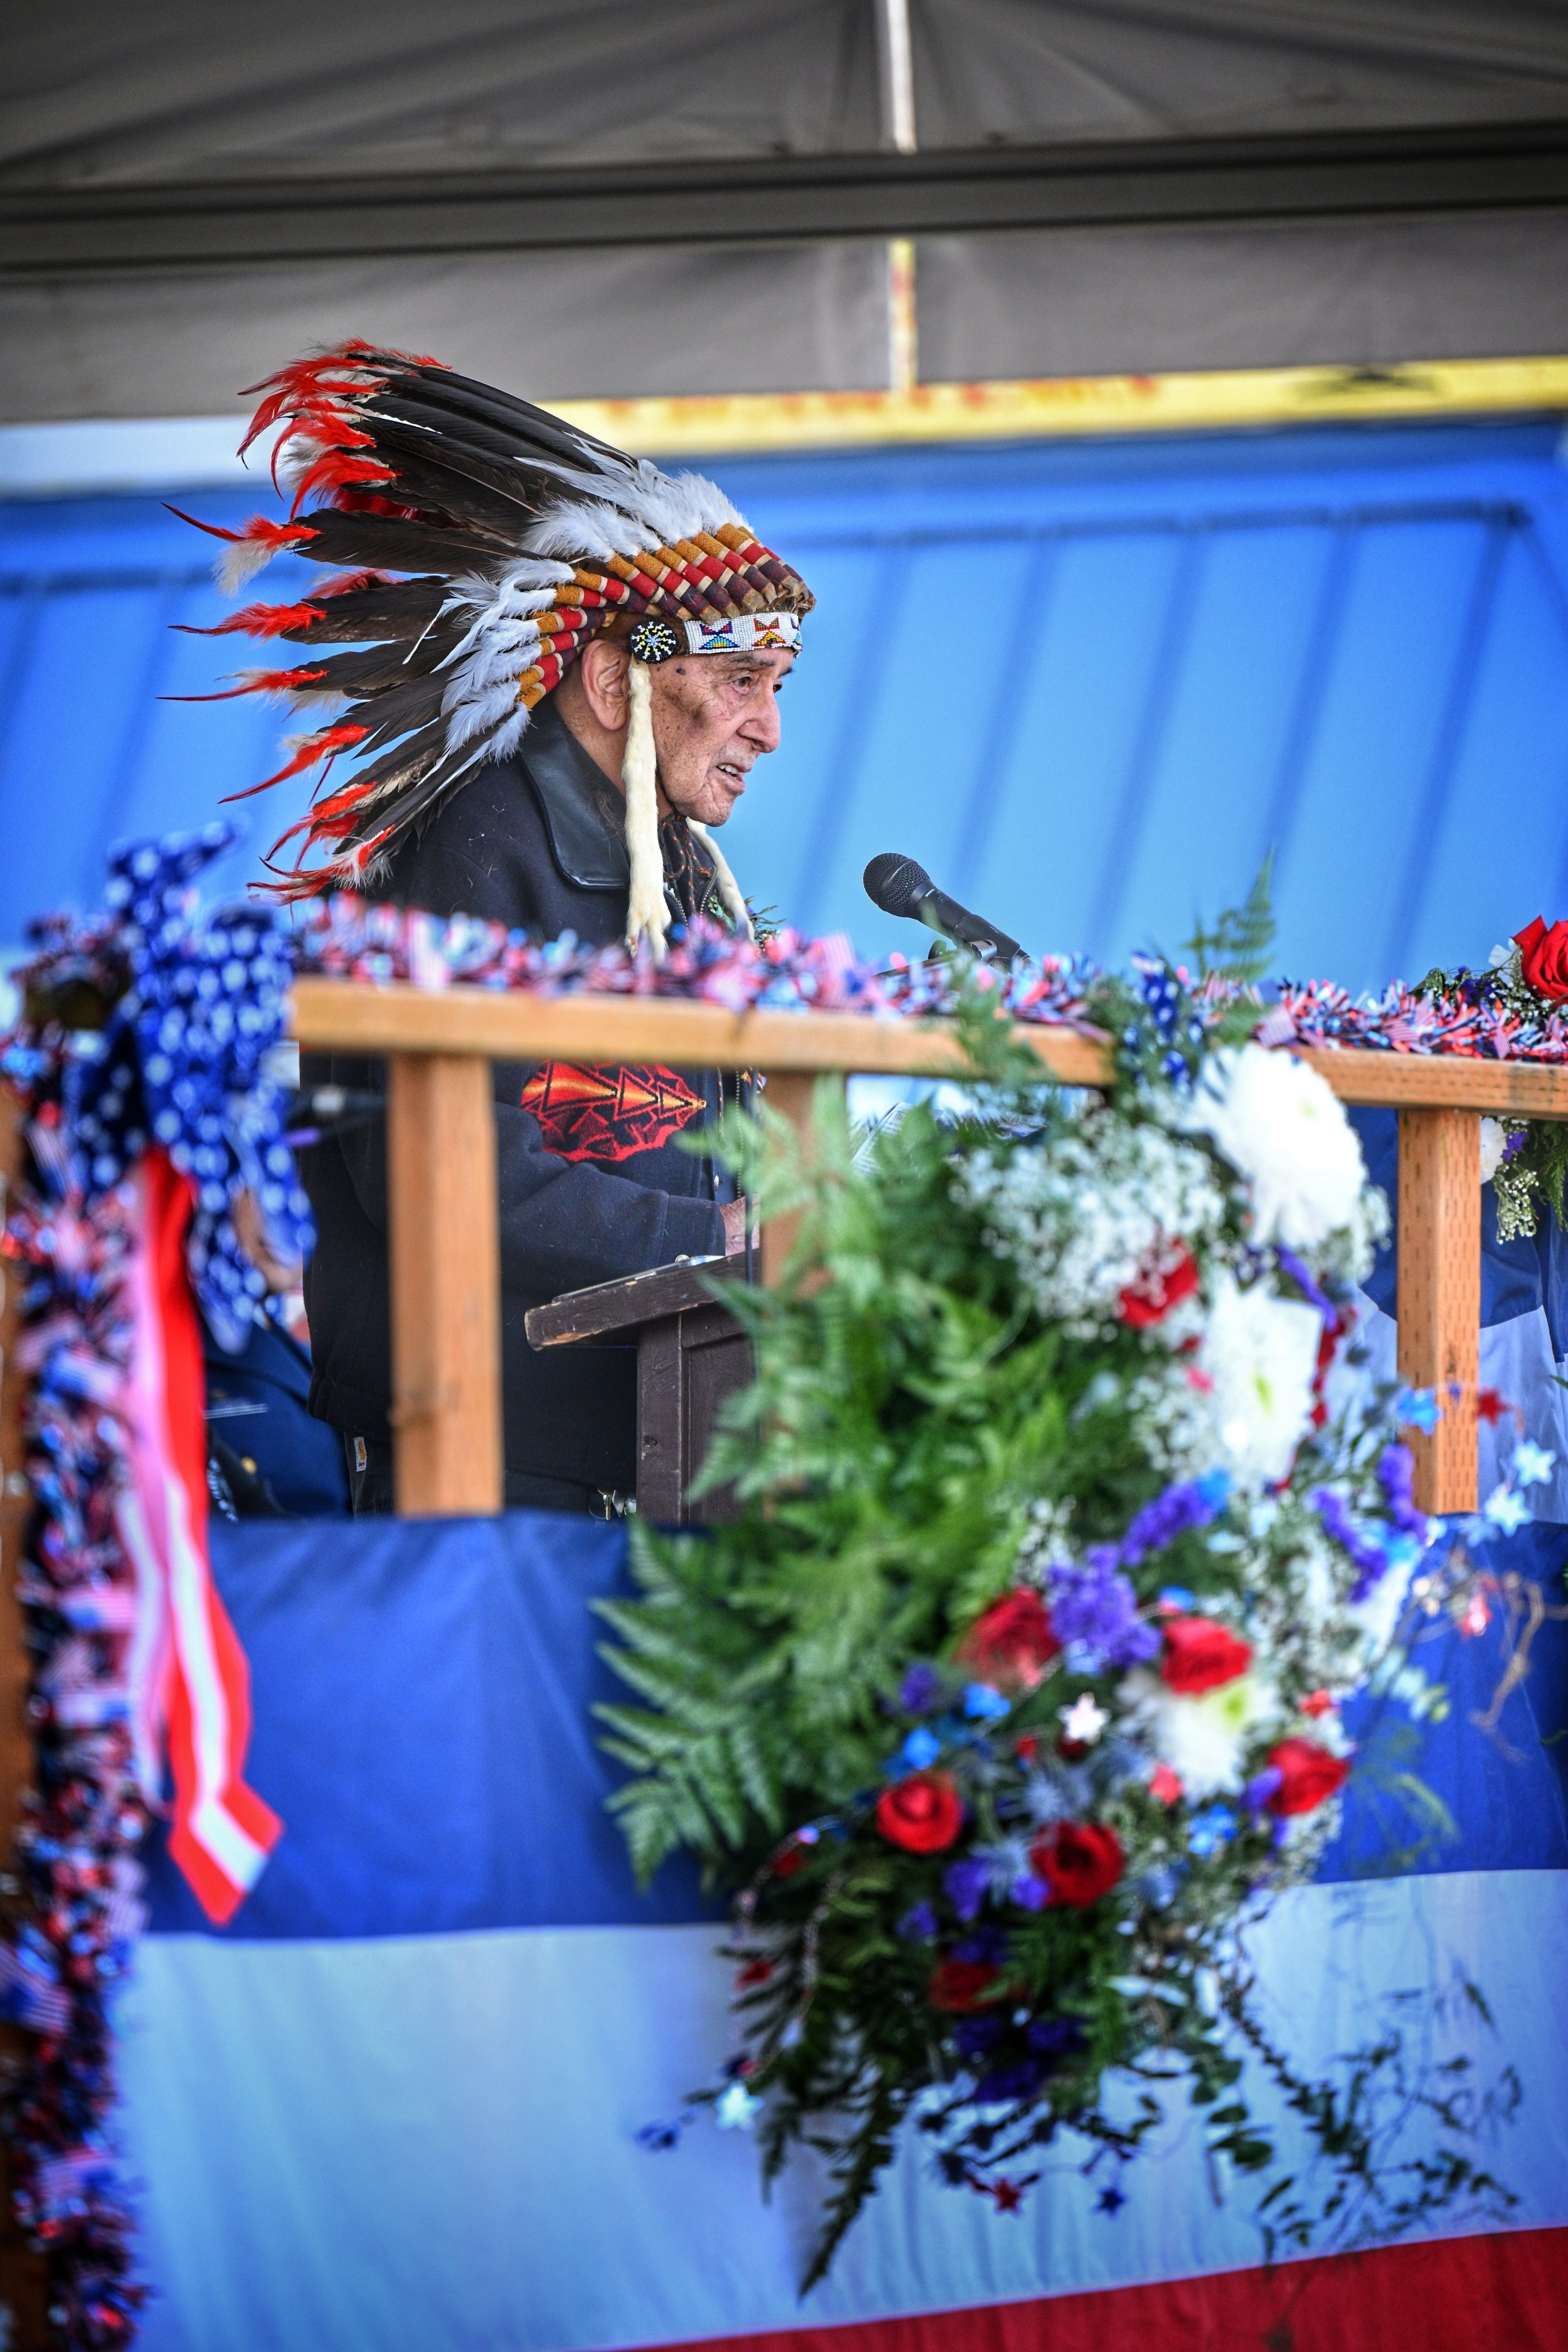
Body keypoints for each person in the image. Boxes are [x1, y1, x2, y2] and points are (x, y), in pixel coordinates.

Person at [188, 341, 813, 1514]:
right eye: (741, 680)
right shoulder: (466, 840)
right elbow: (433, 1150)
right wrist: (719, 1229)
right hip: (488, 1471)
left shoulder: (668, 862)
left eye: (780, 684)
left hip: (638, 1457)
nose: (769, 728)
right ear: (616, 681)